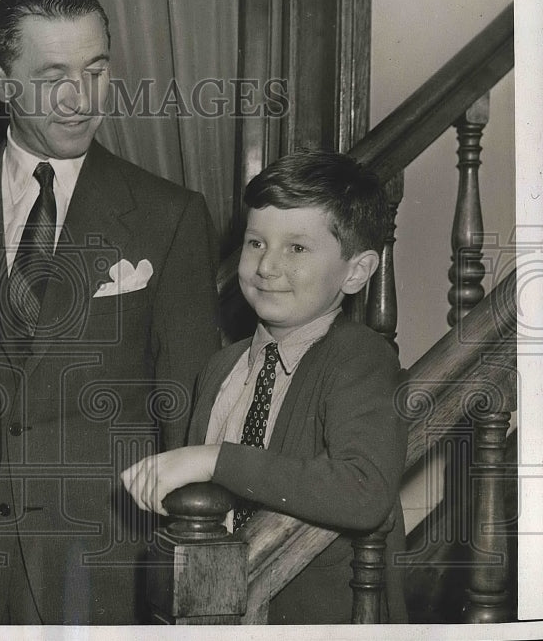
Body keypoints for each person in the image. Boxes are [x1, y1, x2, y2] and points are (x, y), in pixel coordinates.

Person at [0, 0, 220, 624]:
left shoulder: (169, 215)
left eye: (96, 70)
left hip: (102, 558)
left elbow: (188, 406)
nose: (82, 99)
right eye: (53, 77)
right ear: (0, 80)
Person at [121, 150, 408, 624]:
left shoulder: (360, 358)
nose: (267, 266)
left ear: (356, 272)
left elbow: (365, 489)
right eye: (256, 243)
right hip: (223, 608)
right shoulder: (222, 368)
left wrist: (213, 459)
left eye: (296, 248)